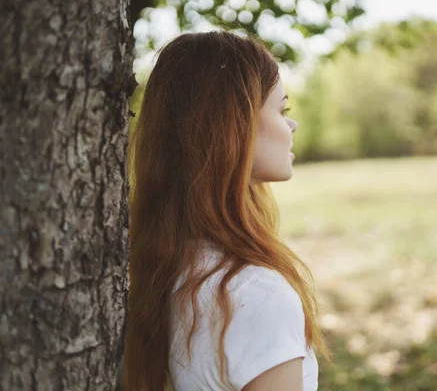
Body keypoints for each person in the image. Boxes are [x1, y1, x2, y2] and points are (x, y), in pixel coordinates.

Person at [122, 31, 330, 391]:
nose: (292, 125)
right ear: (237, 125)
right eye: (282, 110)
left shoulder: (167, 266)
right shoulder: (256, 294)